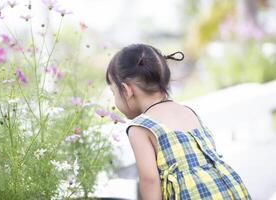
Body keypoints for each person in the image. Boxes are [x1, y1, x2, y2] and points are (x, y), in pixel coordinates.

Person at [105, 43, 251, 200]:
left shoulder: (140, 127)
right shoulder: (188, 111)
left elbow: (149, 180)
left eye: (114, 92)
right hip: (229, 189)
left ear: (127, 90)